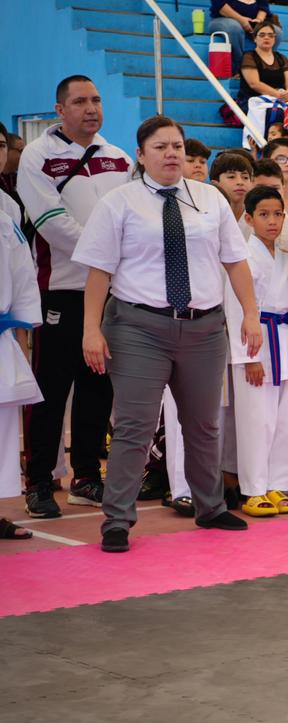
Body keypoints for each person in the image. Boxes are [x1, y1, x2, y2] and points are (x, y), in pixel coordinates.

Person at [75, 116, 261, 552]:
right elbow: (98, 273)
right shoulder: (119, 203)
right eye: (160, 147)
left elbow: (235, 262)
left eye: (177, 146)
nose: (172, 154)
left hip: (205, 326)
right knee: (134, 428)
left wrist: (249, 313)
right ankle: (117, 520)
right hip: (138, 327)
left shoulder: (210, 199)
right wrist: (90, 330)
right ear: (140, 155)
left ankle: (210, 507)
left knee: (203, 424)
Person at [18, 75, 131, 519]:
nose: (91, 108)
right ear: (59, 109)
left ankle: (87, 477)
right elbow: (51, 222)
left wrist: (118, 266)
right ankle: (40, 481)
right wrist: (107, 257)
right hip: (62, 291)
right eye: (80, 101)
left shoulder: (119, 158)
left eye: (97, 100)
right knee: (51, 388)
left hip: (113, 292)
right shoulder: (37, 156)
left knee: (98, 386)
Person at [227, 186, 288, 518]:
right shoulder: (241, 259)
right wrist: (247, 357)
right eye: (264, 214)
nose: (272, 221)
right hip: (257, 342)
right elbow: (235, 308)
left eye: (278, 214)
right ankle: (253, 488)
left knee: (281, 420)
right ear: (248, 219)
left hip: (287, 343)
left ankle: (277, 484)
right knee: (255, 421)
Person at [0, 207, 40, 540]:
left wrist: (23, 332)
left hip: (1, 334)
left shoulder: (3, 220)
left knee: (1, 428)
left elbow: (23, 276)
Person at [237, 21, 288, 150]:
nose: (266, 38)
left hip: (279, 98)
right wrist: (278, 94)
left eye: (270, 35)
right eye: (262, 35)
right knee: (273, 112)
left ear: (275, 39)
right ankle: (265, 148)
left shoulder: (281, 58)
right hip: (253, 99)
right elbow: (254, 84)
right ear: (255, 38)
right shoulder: (249, 56)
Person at [209, 0, 270, 72]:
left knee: (275, 32)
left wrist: (259, 20)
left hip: (251, 23)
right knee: (234, 27)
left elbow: (263, 7)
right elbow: (219, 6)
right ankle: (240, 68)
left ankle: (266, 68)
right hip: (222, 20)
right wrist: (241, 20)